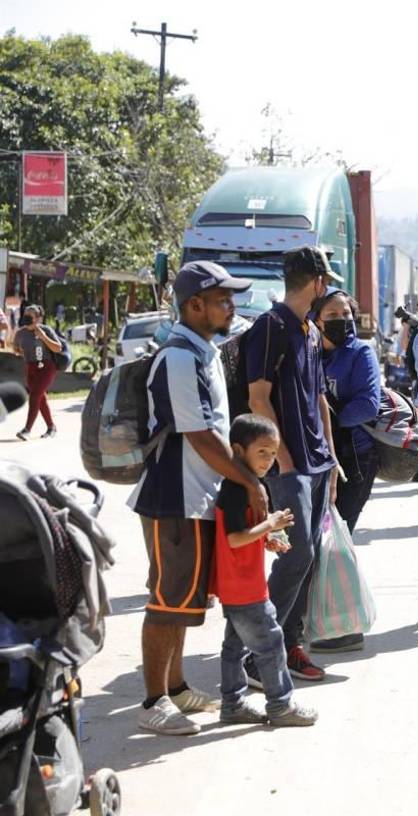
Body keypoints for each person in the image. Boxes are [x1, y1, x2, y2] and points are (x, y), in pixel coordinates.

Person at [128, 260, 264, 736]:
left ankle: (179, 686)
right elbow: (202, 436)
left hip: (197, 497)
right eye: (223, 299)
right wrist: (249, 481)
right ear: (194, 305)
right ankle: (153, 700)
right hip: (173, 498)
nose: (232, 306)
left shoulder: (203, 350)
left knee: (186, 601)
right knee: (168, 600)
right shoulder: (179, 358)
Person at [245, 246, 343, 685]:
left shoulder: (307, 329)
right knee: (295, 553)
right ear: (319, 283)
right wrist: (281, 458)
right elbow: (258, 398)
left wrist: (331, 458)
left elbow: (318, 397)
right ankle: (256, 654)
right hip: (289, 467)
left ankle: (290, 644)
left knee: (308, 558)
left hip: (318, 464)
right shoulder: (270, 327)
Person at [213, 413, 317, 727]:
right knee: (271, 644)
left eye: (273, 454)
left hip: (236, 584)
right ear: (238, 450)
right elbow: (234, 538)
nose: (269, 460)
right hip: (245, 587)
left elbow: (246, 533)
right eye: (262, 452)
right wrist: (270, 524)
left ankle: (233, 704)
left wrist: (269, 539)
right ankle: (280, 704)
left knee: (233, 647)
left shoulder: (249, 485)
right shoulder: (236, 488)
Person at [312, 288, 381, 654]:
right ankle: (324, 619)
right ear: (316, 320)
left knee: (338, 539)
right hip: (318, 458)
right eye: (333, 315)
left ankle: (344, 627)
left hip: (353, 460)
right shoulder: (309, 353)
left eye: (346, 314)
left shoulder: (361, 353)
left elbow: (369, 404)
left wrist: (328, 421)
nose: (342, 321)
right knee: (318, 542)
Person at [13, 305, 62, 441]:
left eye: (30, 315)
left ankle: (27, 430)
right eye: (26, 314)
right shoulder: (20, 333)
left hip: (46, 367)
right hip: (30, 368)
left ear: (38, 318)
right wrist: (19, 351)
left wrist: (44, 337)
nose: (27, 317)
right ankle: (51, 427)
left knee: (34, 396)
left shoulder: (45, 330)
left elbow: (58, 348)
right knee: (40, 399)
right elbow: (16, 347)